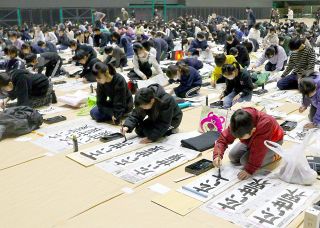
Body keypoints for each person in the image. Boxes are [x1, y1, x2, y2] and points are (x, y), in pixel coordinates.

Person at [213, 108, 284, 180]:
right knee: (233, 156)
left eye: (241, 137)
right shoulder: (238, 121)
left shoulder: (266, 123)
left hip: (272, 141)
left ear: (253, 130)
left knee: (245, 161)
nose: (240, 139)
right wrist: (217, 155)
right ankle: (249, 146)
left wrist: (249, 170)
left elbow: (259, 150)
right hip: (251, 140)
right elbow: (223, 139)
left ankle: (275, 155)